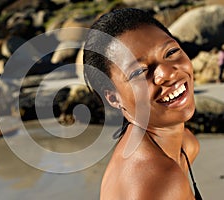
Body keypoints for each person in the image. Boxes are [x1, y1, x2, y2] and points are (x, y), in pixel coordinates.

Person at [83, 8, 202, 199]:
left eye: (171, 52)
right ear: (113, 98)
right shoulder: (160, 180)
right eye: (138, 72)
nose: (168, 74)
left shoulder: (184, 145)